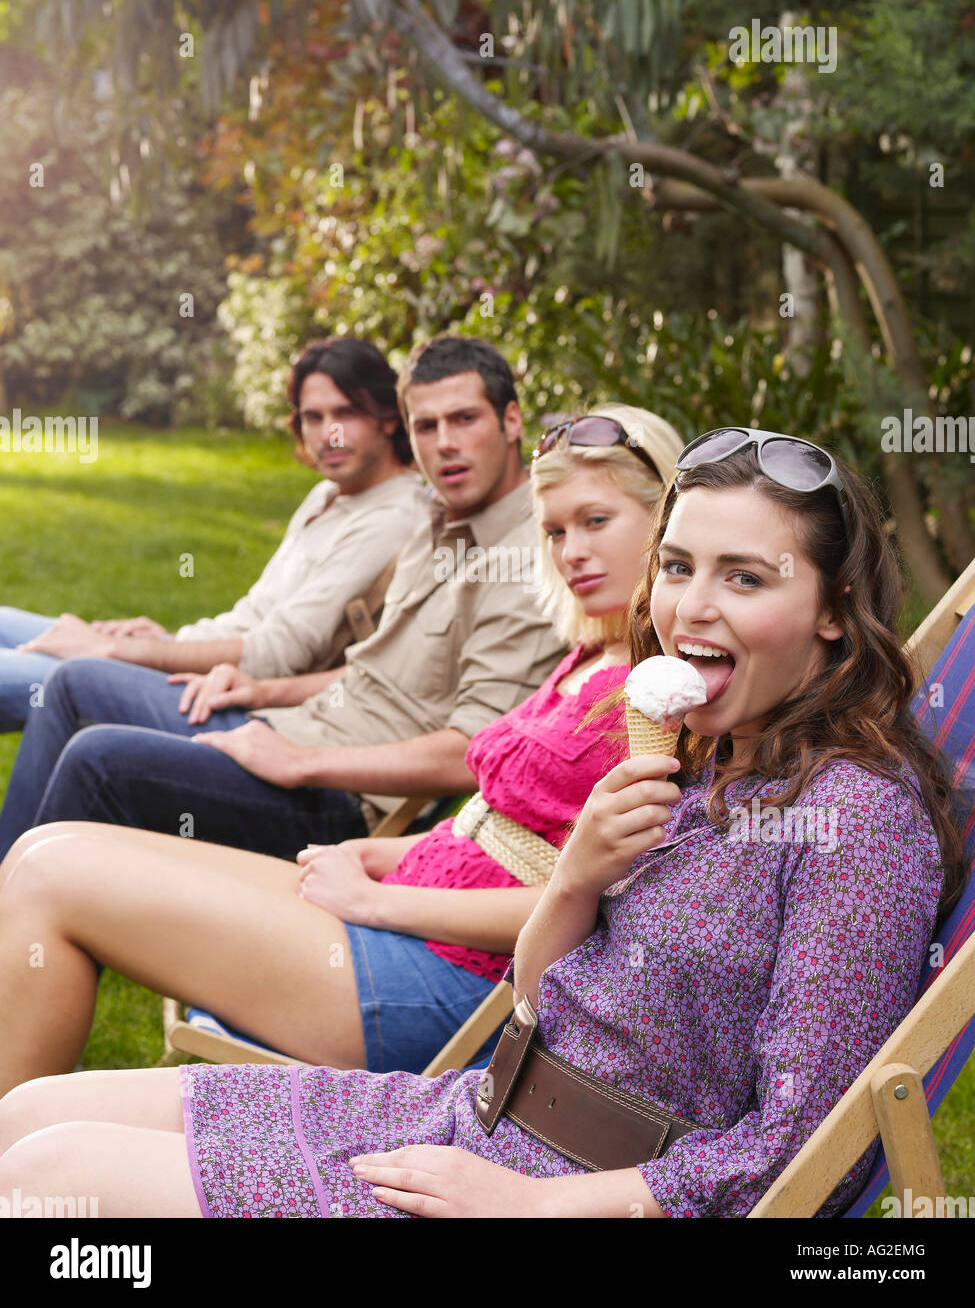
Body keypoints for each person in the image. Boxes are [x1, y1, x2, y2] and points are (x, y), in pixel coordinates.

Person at [0, 427, 965, 1219]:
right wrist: (579, 877)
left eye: (745, 579)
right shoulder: (693, 762)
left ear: (834, 610)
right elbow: (542, 1004)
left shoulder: (856, 820)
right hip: (472, 1116)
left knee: (48, 1188)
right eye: (676, 567)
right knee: (29, 1119)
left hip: (549, 1195)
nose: (689, 609)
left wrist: (531, 1207)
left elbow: (807, 1155)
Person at [0, 405, 682, 1094]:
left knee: (53, 880)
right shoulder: (593, 655)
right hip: (407, 902)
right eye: (555, 531)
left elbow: (592, 905)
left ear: (665, 523)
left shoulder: (663, 702)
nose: (570, 552)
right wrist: (380, 856)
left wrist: (375, 902)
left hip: (452, 988)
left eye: (596, 522)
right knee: (43, 849)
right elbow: (497, 831)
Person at [0, 334, 567, 861]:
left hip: (342, 798)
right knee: (74, 682)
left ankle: (19, 927)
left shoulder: (527, 563)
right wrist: (261, 691)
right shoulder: (438, 520)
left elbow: (476, 752)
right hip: (292, 727)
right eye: (427, 426)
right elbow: (372, 673)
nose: (445, 445)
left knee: (96, 759)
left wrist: (303, 763)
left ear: (511, 420)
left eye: (465, 419)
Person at [0, 337, 428, 731]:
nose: (328, 434)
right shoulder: (328, 495)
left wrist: (121, 654)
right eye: (313, 417)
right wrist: (170, 639)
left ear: (388, 419)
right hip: (207, 665)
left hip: (236, 700)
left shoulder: (391, 517)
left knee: (40, 673)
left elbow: (276, 655)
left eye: (346, 413)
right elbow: (254, 613)